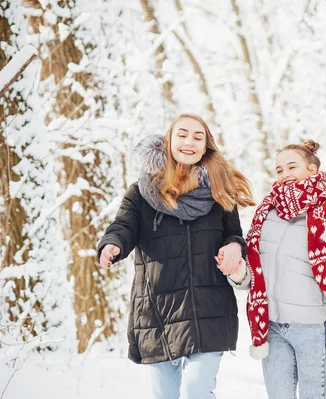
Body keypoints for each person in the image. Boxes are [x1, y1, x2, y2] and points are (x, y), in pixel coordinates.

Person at [97, 113, 255, 399]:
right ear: (168, 141)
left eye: (198, 137)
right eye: (182, 135)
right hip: (158, 307)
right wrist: (113, 244)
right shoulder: (142, 192)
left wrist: (234, 247)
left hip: (207, 307)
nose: (189, 142)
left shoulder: (220, 191)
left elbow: (234, 234)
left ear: (207, 145)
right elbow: (123, 226)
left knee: (197, 391)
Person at [223, 140, 326, 399]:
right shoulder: (265, 213)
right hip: (272, 326)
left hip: (313, 327)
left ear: (311, 168)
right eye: (279, 169)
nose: (284, 174)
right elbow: (254, 276)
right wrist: (238, 272)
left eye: (292, 167)